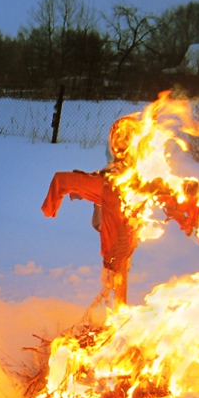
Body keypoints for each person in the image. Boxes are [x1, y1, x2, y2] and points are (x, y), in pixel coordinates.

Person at [41, 118, 138, 307]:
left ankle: (120, 311)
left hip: (121, 229)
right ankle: (120, 309)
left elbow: (64, 180)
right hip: (121, 226)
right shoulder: (117, 176)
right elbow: (66, 181)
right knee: (119, 261)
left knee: (119, 260)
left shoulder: (126, 179)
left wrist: (49, 207)